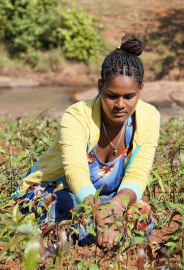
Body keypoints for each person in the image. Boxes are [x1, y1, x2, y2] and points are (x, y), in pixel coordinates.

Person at [12, 34, 160, 249]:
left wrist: (117, 207)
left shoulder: (149, 117)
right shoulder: (77, 116)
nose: (120, 104)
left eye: (129, 96)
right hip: (59, 189)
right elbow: (76, 173)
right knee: (59, 207)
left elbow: (138, 175)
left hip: (110, 197)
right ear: (99, 87)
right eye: (111, 95)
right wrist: (98, 211)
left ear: (141, 91)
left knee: (141, 215)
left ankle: (93, 233)